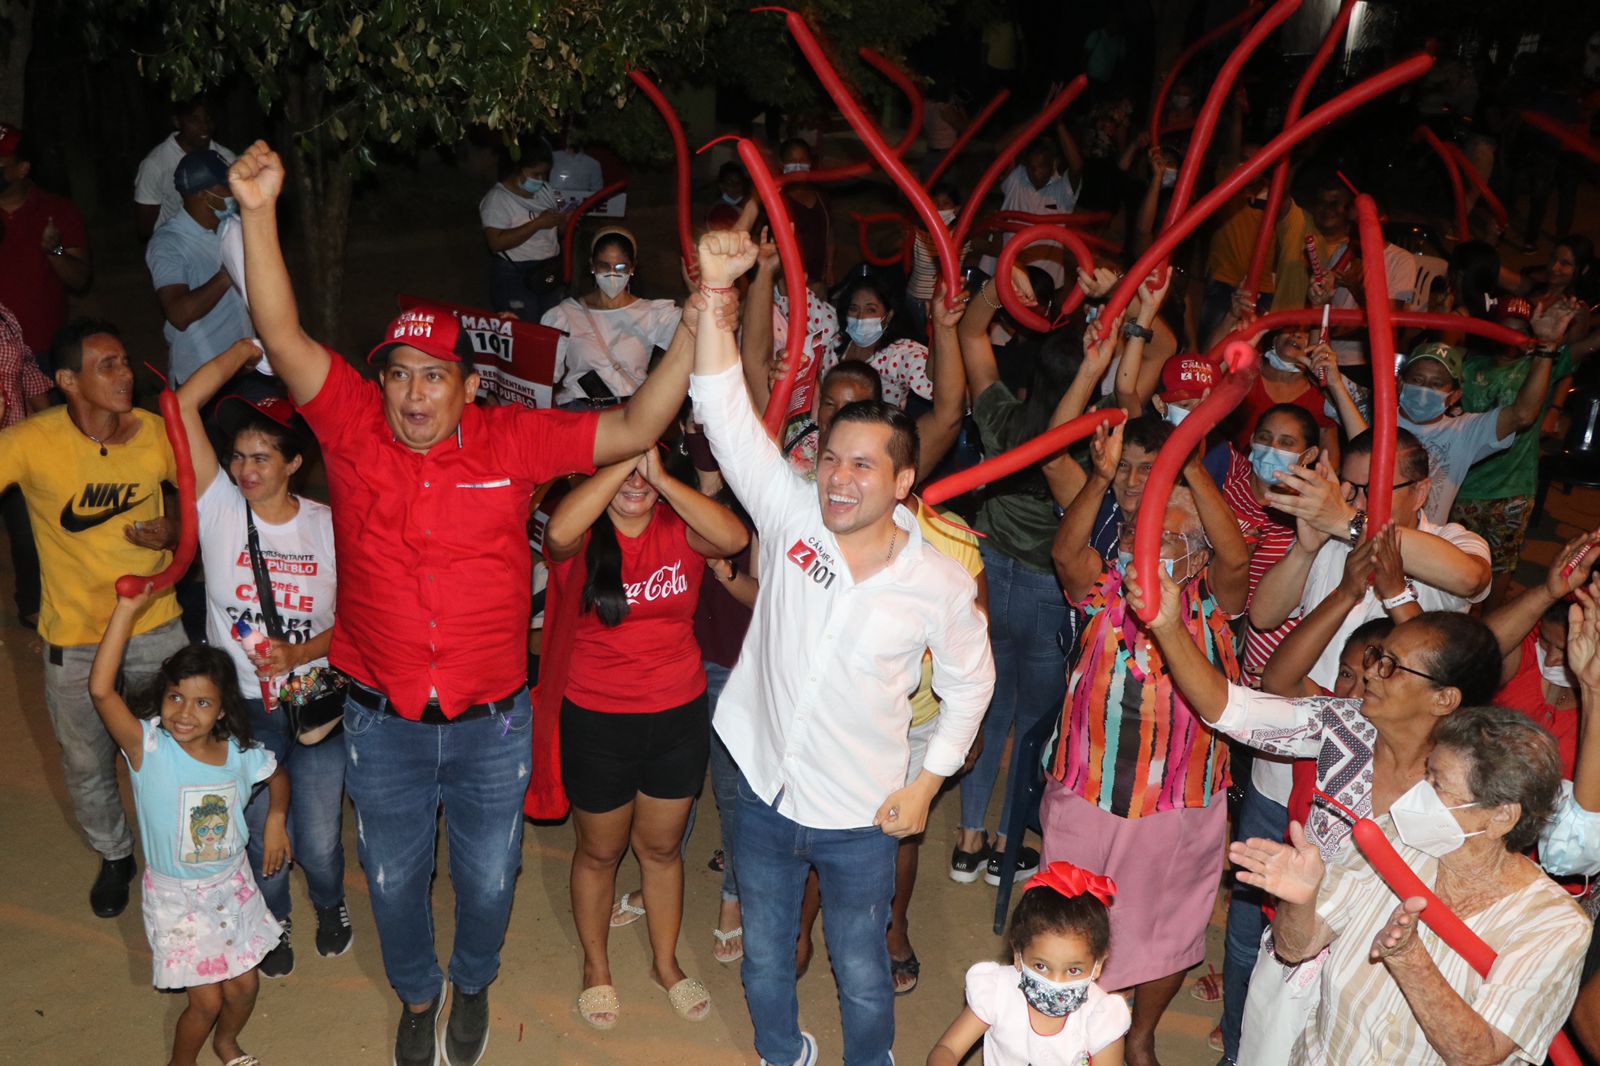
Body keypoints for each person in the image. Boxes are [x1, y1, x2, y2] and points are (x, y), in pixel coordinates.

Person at [230, 138, 698, 1066]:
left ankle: (473, 980)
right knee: (396, 877)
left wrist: (703, 310)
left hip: (492, 718)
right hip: (383, 716)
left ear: (467, 384)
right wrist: (256, 211)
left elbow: (642, 423)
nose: (412, 391)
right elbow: (282, 336)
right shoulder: (353, 424)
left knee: (488, 877)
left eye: (433, 373)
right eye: (398, 371)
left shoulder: (509, 441)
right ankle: (416, 996)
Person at [688, 226, 994, 1066]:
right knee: (761, 957)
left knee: (861, 969)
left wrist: (927, 786)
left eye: (865, 465)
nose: (840, 478)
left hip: (862, 813)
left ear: (903, 482)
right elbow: (719, 408)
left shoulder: (936, 579)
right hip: (757, 790)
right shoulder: (790, 515)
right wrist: (717, 297)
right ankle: (782, 1053)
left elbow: (972, 683)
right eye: (831, 459)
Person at [1132, 536, 1508, 1066]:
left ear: (1444, 700)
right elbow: (1231, 709)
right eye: (1379, 657)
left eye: (1392, 667)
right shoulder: (1343, 725)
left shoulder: (1477, 794)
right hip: (1293, 960)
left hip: (1383, 990)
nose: (1372, 673)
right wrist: (1169, 626)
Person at [1045, 419, 1250, 1066]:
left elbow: (1238, 556)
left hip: (1182, 799)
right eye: (1145, 535)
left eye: (1175, 530)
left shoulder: (1214, 600)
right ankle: (1073, 1028)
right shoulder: (1102, 585)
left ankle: (1138, 1033)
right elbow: (1062, 554)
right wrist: (1105, 475)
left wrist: (1186, 468)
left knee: (1168, 930)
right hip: (1087, 785)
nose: (1157, 540)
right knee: (1067, 918)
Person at [1233, 706, 1590, 1065]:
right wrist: (1301, 900)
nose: (1418, 794)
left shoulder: (1554, 926)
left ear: (1500, 817)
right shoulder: (1392, 838)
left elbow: (1479, 1053)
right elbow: (1296, 948)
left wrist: (1409, 960)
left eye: (1437, 784)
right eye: (1426, 775)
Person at [537, 447, 746, 1028]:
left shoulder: (681, 530)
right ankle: (596, 966)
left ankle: (665, 963)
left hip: (677, 716)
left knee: (660, 851)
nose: (634, 482)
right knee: (600, 852)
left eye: (645, 470)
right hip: (597, 719)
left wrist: (663, 482)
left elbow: (730, 538)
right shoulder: (583, 535)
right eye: (622, 470)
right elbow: (556, 531)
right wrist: (618, 465)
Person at [0, 318, 187, 917]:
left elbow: (208, 501)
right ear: (67, 381)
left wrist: (176, 529)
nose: (125, 374)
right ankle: (115, 856)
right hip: (76, 638)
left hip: (156, 626)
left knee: (180, 750)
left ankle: (181, 851)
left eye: (126, 362)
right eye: (107, 365)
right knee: (85, 764)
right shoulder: (31, 441)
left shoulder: (156, 432)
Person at [177, 339, 351, 979]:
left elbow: (360, 620)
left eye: (262, 456)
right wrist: (249, 348)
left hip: (315, 704)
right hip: (243, 710)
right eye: (238, 455)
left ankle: (330, 904)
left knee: (318, 839)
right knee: (256, 830)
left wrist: (299, 651)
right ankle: (271, 924)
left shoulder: (330, 525)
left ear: (294, 462)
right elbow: (181, 403)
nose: (246, 467)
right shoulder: (219, 508)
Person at [951, 271, 1117, 886]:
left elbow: (971, 333)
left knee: (986, 704)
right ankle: (1005, 841)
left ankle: (967, 838)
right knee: (1036, 720)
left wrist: (997, 288)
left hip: (988, 577)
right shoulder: (1096, 444)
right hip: (1052, 592)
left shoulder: (1003, 416)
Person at [89, 582, 286, 1066]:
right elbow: (99, 689)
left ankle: (225, 1043)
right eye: (176, 697)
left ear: (222, 709)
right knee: (206, 1000)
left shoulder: (238, 753)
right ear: (163, 696)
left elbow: (277, 774)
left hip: (231, 885)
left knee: (244, 986)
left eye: (202, 703)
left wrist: (276, 818)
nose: (184, 713)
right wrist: (127, 608)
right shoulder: (147, 749)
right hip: (177, 898)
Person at [1249, 427, 1494, 686]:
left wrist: (1347, 521)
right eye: (1350, 489)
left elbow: (1470, 578)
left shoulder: (1453, 540)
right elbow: (1264, 617)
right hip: (1316, 709)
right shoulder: (1332, 538)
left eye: (1373, 490)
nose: (1358, 504)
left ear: (1419, 493)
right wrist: (1304, 551)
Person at [928, 862, 1130, 1066]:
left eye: (1073, 970)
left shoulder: (1100, 1017)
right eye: (1041, 966)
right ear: (1018, 954)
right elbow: (947, 1049)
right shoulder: (997, 992)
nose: (1055, 983)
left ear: (1097, 965)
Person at [1452, 300, 1583, 608]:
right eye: (1504, 330)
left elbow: (1582, 348)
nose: (1510, 339)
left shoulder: (1538, 367)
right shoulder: (1469, 367)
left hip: (1513, 490)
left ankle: (1493, 635)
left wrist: (1554, 339)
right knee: (1461, 566)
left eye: (1519, 332)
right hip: (1465, 488)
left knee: (1500, 569)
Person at [145, 149, 255, 385]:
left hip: (246, 367)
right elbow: (179, 314)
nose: (233, 193)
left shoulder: (232, 226)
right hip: (201, 377)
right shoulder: (168, 243)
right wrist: (228, 273)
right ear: (204, 195)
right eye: (226, 187)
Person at [541, 227, 682, 408]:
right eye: (604, 266)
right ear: (592, 265)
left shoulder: (651, 313)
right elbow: (542, 372)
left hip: (630, 414)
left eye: (621, 267)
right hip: (582, 412)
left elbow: (694, 339)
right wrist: (517, 334)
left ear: (632, 267)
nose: (612, 273)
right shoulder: (566, 314)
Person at [0, 124, 92, 359]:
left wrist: (54, 251)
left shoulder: (57, 211)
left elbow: (80, 280)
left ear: (23, 169)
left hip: (43, 349)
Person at [0, 301, 53, 628]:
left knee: (26, 528)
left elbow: (29, 370)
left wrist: (51, 426)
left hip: (16, 441)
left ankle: (32, 602)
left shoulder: (5, 315)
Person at [479, 138, 565, 323]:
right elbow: (496, 243)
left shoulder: (545, 191)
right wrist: (537, 224)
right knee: (524, 327)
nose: (541, 180)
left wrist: (565, 221)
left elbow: (555, 232)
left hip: (548, 269)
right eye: (536, 174)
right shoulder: (497, 200)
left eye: (545, 174)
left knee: (551, 325)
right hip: (515, 275)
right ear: (517, 168)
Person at [134, 97, 236, 238]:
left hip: (218, 241)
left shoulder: (226, 159)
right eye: (194, 120)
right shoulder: (156, 164)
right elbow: (145, 226)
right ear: (177, 122)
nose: (204, 126)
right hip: (174, 243)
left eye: (208, 119)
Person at [826, 274, 929, 411]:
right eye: (854, 308)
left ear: (888, 316)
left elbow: (933, 382)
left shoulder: (899, 353)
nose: (860, 317)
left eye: (871, 310)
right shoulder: (833, 342)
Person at [777, 139, 834, 290]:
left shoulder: (822, 197)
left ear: (810, 163)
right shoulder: (777, 199)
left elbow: (829, 235)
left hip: (817, 281)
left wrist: (829, 269)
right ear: (782, 164)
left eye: (802, 160)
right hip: (786, 284)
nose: (798, 165)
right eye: (792, 160)